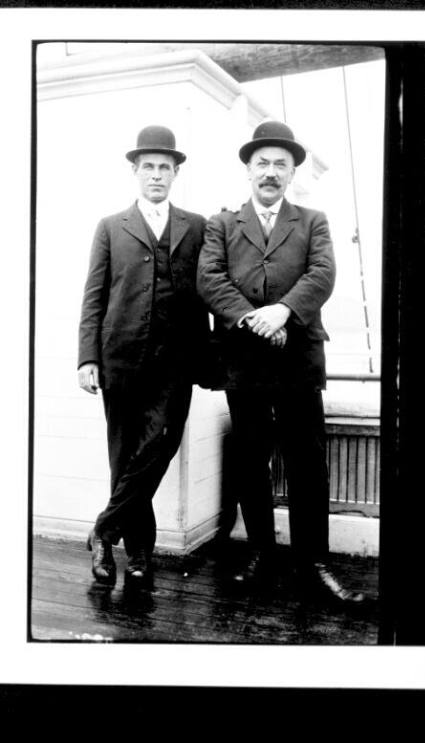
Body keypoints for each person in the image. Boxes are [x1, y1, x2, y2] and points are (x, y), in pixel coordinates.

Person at [197, 120, 364, 603]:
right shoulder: (222, 225)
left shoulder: (313, 221)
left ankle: (314, 563)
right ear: (248, 170)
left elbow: (323, 273)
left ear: (292, 174)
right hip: (244, 361)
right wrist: (254, 319)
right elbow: (209, 280)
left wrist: (284, 311)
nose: (271, 173)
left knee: (307, 462)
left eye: (281, 165)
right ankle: (261, 555)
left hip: (298, 361)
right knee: (251, 458)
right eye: (262, 164)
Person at [78, 125, 209, 585]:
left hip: (176, 363)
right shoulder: (112, 226)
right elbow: (94, 295)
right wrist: (87, 357)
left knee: (158, 447)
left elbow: (209, 291)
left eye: (165, 168)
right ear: (135, 172)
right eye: (149, 167)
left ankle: (103, 530)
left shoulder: (198, 226)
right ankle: (136, 553)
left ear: (175, 174)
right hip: (120, 359)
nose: (157, 174)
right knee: (124, 455)